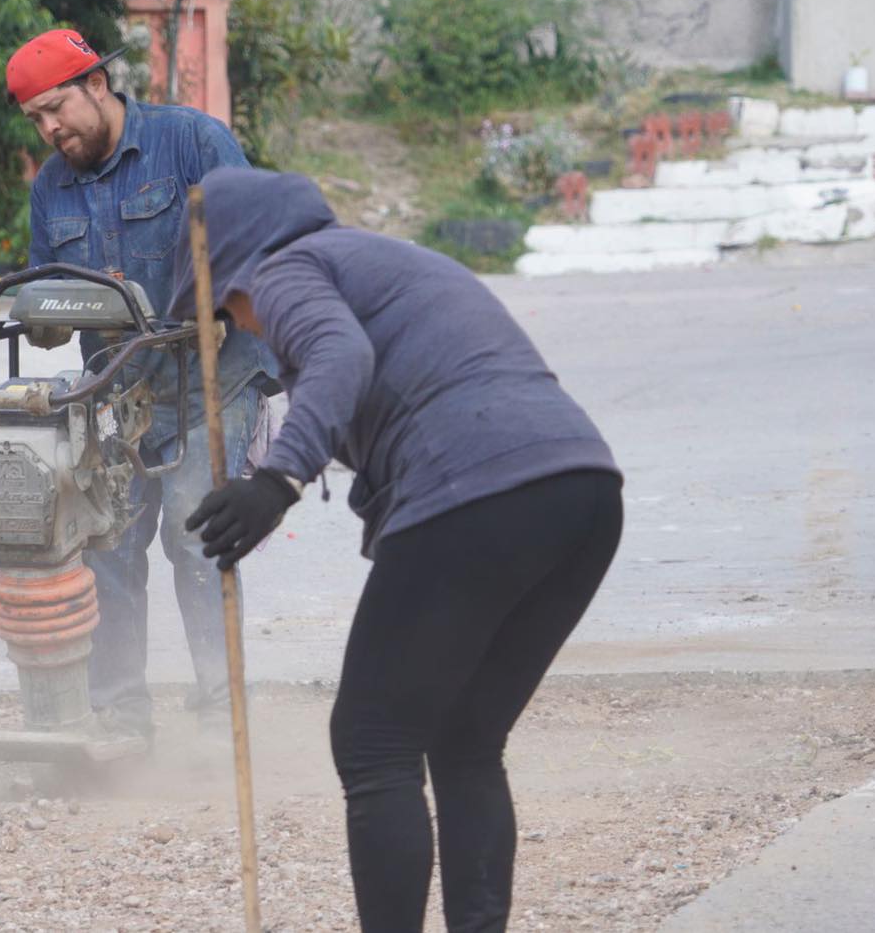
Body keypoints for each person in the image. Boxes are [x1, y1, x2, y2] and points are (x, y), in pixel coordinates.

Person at [172, 167, 624, 932]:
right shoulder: (380, 258)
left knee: (372, 741)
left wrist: (278, 480)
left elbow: (342, 359)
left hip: (480, 490)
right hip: (581, 493)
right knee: (465, 738)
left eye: (227, 309)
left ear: (240, 267)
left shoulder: (286, 267)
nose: (243, 327)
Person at [6, 29, 278, 738]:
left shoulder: (190, 142)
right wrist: (43, 319)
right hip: (120, 393)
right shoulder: (51, 188)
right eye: (35, 118)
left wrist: (224, 297)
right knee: (110, 545)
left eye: (57, 108)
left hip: (212, 379)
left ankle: (225, 712)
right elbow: (47, 288)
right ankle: (122, 712)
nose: (50, 128)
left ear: (97, 84)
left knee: (196, 532)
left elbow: (263, 236)